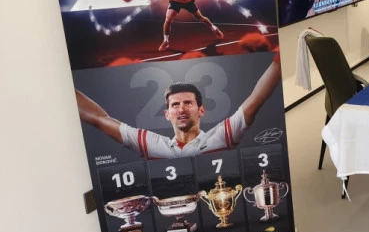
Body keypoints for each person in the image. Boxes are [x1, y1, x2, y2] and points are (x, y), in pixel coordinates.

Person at [75, 55, 281, 158]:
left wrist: (279, 61)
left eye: (188, 103)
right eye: (175, 105)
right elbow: (99, 119)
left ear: (201, 110)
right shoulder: (150, 144)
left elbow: (257, 99)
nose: (181, 109)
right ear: (167, 114)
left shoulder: (222, 136)